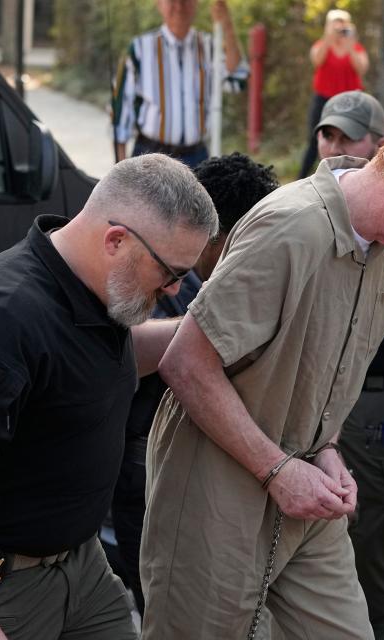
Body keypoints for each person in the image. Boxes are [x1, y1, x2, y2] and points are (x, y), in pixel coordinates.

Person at [139, 104, 384, 639]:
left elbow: (332, 364)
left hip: (305, 486)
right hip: (215, 493)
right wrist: (276, 470)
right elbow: (186, 363)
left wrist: (328, 449)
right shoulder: (289, 227)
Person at [0, 154, 218, 640]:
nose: (175, 289)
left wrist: (207, 332)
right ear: (116, 240)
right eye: (170, 272)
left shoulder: (94, 287)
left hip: (78, 565)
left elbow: (93, 365)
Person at [110, 152, 279, 615]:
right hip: (144, 468)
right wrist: (212, 328)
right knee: (164, 604)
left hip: (201, 475)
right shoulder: (161, 276)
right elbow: (126, 347)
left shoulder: (217, 280)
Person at [313, 89, 384, 640]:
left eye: (348, 136)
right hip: (316, 401)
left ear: (379, 143)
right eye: (328, 133)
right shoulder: (303, 203)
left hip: (376, 400)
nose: (334, 144)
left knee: (368, 536)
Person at [112, 0, 247, 167]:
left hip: (196, 158)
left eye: (186, 0)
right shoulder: (140, 49)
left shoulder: (209, 46)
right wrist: (121, 172)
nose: (179, 6)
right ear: (159, 4)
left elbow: (237, 79)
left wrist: (226, 24)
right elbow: (120, 115)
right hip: (149, 157)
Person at [298, 9, 369, 178]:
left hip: (350, 101)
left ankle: (351, 177)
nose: (339, 27)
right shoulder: (322, 45)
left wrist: (350, 44)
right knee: (315, 141)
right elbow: (317, 60)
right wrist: (328, 38)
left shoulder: (356, 48)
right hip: (323, 98)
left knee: (351, 140)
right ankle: (302, 178)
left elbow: (362, 69)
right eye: (335, 23)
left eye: (342, 23)